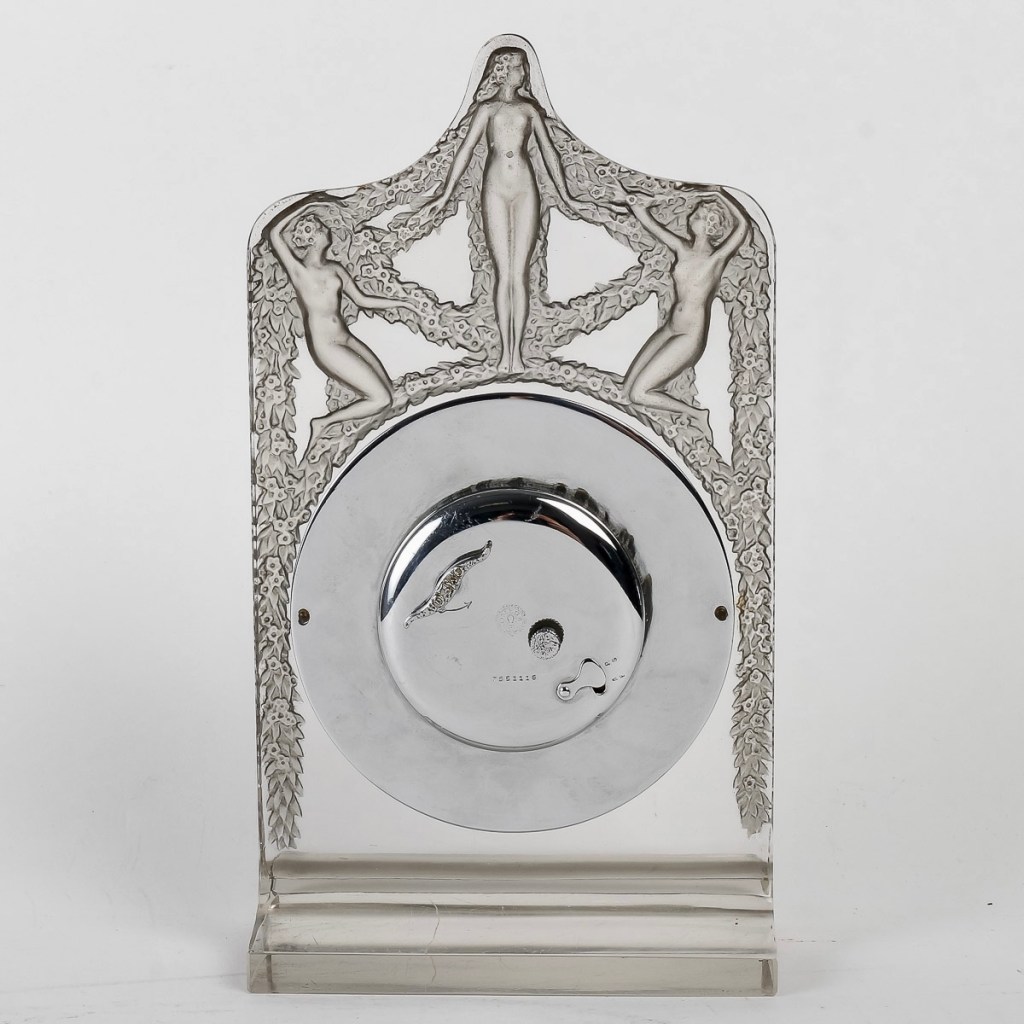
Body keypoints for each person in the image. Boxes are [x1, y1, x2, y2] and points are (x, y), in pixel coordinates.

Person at [418, 47, 618, 373]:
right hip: (495, 189)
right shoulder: (487, 110)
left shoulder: (529, 110)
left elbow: (550, 153)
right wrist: (445, 194)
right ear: (502, 71)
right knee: (503, 274)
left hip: (525, 188)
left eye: (523, 68)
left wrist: (567, 196)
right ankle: (504, 354)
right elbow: (465, 151)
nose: (522, 74)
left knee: (519, 274)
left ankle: (517, 356)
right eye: (517, 68)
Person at [265, 200, 417, 451]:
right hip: (327, 346)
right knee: (381, 399)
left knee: (390, 392)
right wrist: (306, 206)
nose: (327, 230)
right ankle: (323, 423)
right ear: (312, 238)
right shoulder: (300, 272)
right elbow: (273, 234)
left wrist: (401, 303)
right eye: (321, 228)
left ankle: (355, 427)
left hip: (345, 338)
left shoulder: (335, 269)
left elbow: (362, 300)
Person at [621, 187, 750, 430]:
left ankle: (697, 414)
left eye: (699, 216)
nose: (692, 217)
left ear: (710, 226)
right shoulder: (683, 249)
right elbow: (652, 226)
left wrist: (720, 194)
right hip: (670, 329)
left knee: (638, 394)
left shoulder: (716, 259)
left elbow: (743, 226)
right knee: (626, 391)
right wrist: (637, 206)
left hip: (689, 336)